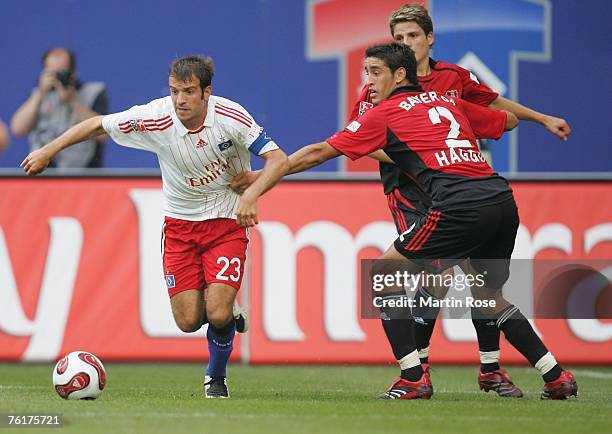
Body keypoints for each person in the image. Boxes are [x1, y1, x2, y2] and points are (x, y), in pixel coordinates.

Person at [239, 43, 577, 400]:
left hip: (456, 205)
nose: (367, 81)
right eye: (365, 72)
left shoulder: (384, 113)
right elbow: (505, 122)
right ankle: (555, 376)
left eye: (374, 72)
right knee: (488, 295)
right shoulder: (447, 101)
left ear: (400, 74)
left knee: (384, 273)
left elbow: (319, 152)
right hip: (500, 200)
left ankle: (413, 376)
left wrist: (265, 177)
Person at [21, 55, 289, 399]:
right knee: (189, 321)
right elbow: (98, 124)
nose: (180, 100)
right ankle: (220, 308)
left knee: (218, 311)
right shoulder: (156, 116)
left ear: (207, 92)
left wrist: (251, 195)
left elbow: (278, 159)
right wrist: (48, 149)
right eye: (176, 91)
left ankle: (215, 378)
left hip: (226, 222)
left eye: (189, 91)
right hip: (179, 228)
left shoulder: (232, 118)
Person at [350, 3, 572, 397]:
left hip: (458, 188)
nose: (406, 43)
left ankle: (482, 368)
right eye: (398, 38)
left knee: (474, 279)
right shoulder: (378, 88)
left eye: (413, 36)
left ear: (429, 39)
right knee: (442, 277)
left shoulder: (452, 79)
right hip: (411, 192)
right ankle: (427, 368)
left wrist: (541, 118)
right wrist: (416, 155)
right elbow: (362, 142)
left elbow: (497, 107)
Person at [11, 47, 108, 168]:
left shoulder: (93, 92)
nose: (56, 78)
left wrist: (73, 100)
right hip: (43, 171)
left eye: (61, 73)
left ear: (74, 72)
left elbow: (104, 133)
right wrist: (39, 94)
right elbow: (17, 129)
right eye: (51, 73)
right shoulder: (38, 95)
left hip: (83, 173)